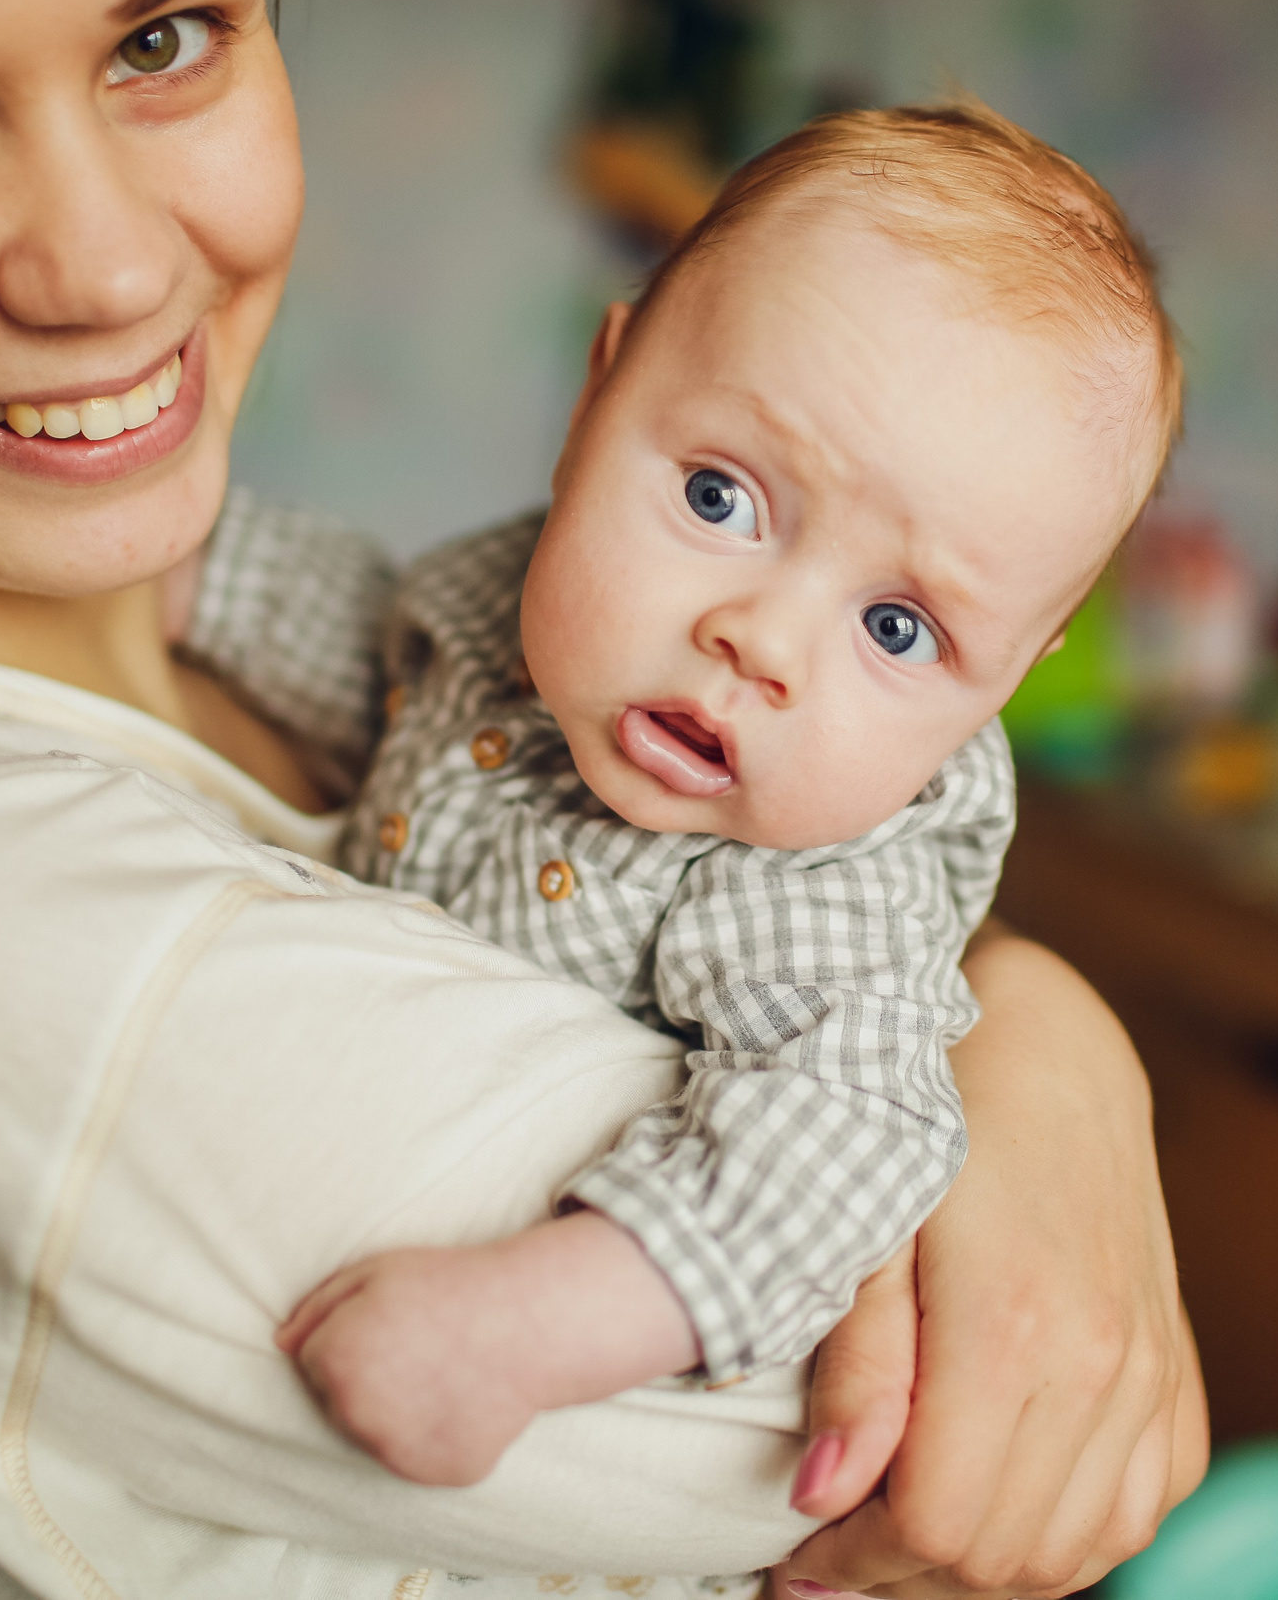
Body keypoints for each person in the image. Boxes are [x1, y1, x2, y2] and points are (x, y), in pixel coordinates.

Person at [0, 0, 1207, 1595]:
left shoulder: (206, 640)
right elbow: (960, 1431)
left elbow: (336, 625)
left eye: (164, 40)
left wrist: (1032, 1022)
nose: (102, 271)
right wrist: (1036, 1047)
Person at [287, 104, 1182, 1508]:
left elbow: (836, 1142)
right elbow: (348, 635)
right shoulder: (492, 609)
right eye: (721, 495)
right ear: (598, 394)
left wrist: (529, 1327)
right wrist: (165, 581)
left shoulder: (811, 881)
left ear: (1000, 686)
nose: (762, 640)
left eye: (898, 631)